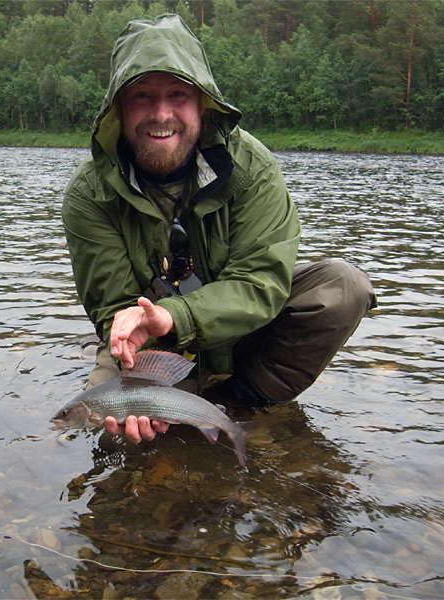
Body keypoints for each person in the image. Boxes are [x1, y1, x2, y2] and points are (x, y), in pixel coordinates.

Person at [62, 14, 376, 444]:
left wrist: (177, 314)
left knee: (343, 288)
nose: (161, 114)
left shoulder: (253, 168)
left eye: (177, 94)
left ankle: (242, 403)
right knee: (114, 432)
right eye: (142, 96)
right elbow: (111, 307)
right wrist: (141, 351)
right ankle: (188, 411)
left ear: (202, 103)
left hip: (241, 333)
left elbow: (261, 283)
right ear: (118, 108)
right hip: (152, 350)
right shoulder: (89, 194)